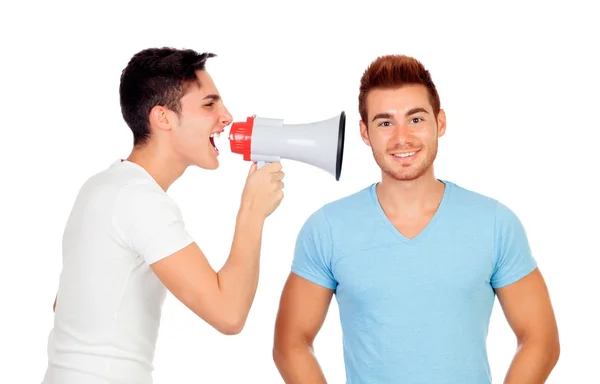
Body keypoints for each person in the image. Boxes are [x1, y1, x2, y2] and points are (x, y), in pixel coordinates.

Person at [272, 54, 560, 383]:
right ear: (365, 133)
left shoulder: (495, 223)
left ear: (440, 122)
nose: (401, 137)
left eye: (415, 119)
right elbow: (290, 343)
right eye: (384, 122)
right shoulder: (327, 228)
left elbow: (541, 340)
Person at [43, 47, 285, 384]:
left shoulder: (101, 187)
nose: (226, 116)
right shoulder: (140, 199)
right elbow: (229, 314)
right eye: (209, 104)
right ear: (163, 118)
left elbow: (65, 305)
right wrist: (252, 211)